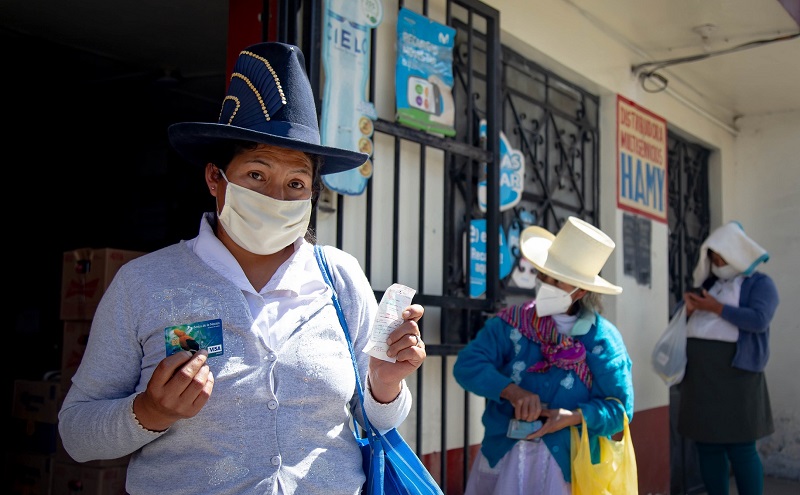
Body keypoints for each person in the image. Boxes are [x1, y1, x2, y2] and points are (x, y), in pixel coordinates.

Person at [57, 42, 428, 495]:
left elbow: (375, 419)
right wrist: (149, 412)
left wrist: (385, 384)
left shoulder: (340, 278)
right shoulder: (145, 284)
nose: (276, 196)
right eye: (256, 174)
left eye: (296, 183)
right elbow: (76, 433)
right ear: (215, 177)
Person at [453, 216, 634, 495]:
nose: (545, 283)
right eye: (544, 274)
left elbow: (620, 410)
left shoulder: (603, 341)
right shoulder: (511, 323)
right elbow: (467, 365)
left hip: (568, 471)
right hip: (505, 460)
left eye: (557, 280)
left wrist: (572, 417)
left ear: (581, 290)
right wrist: (511, 391)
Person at [678, 221, 779, 495]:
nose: (718, 263)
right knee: (707, 445)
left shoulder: (760, 284)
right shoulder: (708, 285)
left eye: (722, 257)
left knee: (741, 447)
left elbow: (759, 319)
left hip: (738, 377)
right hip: (701, 377)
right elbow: (678, 321)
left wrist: (717, 308)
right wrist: (687, 310)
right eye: (713, 258)